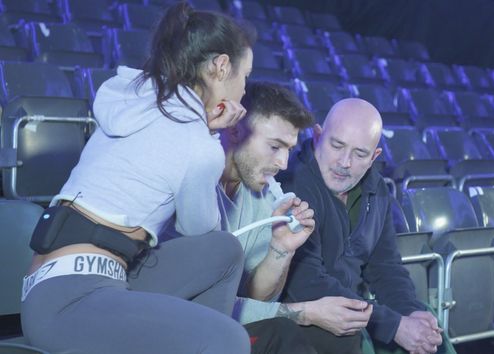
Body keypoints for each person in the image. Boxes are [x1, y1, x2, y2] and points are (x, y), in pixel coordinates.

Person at [21, 3, 254, 354]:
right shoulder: (197, 145)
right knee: (229, 339)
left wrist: (202, 128)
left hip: (57, 285)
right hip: (72, 302)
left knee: (224, 252)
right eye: (245, 76)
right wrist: (210, 139)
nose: (244, 89)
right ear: (221, 67)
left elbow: (212, 242)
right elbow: (200, 226)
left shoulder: (132, 92)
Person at [280, 98, 457, 354]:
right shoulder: (295, 185)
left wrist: (410, 314)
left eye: (359, 153)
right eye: (337, 145)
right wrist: (394, 325)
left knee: (428, 325)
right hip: (313, 314)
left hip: (358, 309)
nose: (345, 162)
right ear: (318, 136)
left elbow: (386, 267)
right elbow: (307, 282)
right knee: (362, 333)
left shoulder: (377, 190)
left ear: (374, 157)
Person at [213, 81, 373, 354]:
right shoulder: (195, 183)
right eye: (275, 147)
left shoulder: (261, 194)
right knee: (283, 332)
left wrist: (281, 249)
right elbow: (206, 305)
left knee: (340, 337)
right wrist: (304, 312)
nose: (283, 163)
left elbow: (258, 298)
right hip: (192, 323)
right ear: (235, 129)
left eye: (289, 149)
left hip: (229, 318)